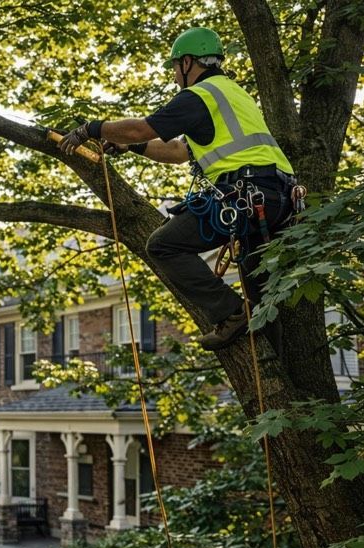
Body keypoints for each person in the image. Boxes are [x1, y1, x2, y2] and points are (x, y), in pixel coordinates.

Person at [59, 27, 298, 351]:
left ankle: (231, 314)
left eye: (174, 68)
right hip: (277, 200)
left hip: (246, 192)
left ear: (188, 62)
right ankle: (271, 367)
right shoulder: (234, 96)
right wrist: (133, 148)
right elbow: (177, 152)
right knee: (263, 305)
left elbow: (142, 127)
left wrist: (92, 128)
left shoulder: (200, 95)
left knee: (163, 245)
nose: (174, 76)